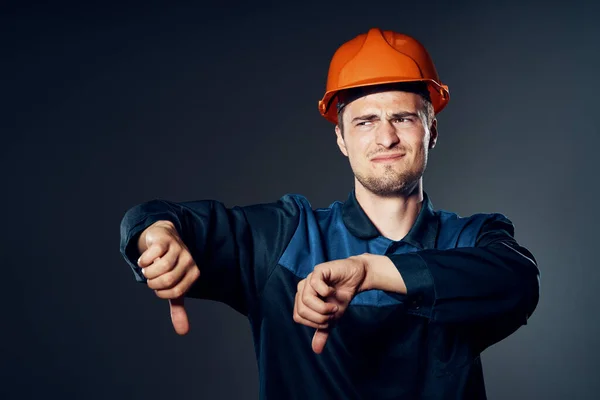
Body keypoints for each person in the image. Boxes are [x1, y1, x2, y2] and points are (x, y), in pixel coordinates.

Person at [119, 27, 540, 399]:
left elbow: (518, 280)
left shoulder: (472, 238)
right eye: (365, 121)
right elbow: (159, 217)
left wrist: (371, 271)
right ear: (340, 138)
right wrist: (155, 235)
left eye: (403, 117)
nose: (386, 136)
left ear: (431, 130)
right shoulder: (285, 236)